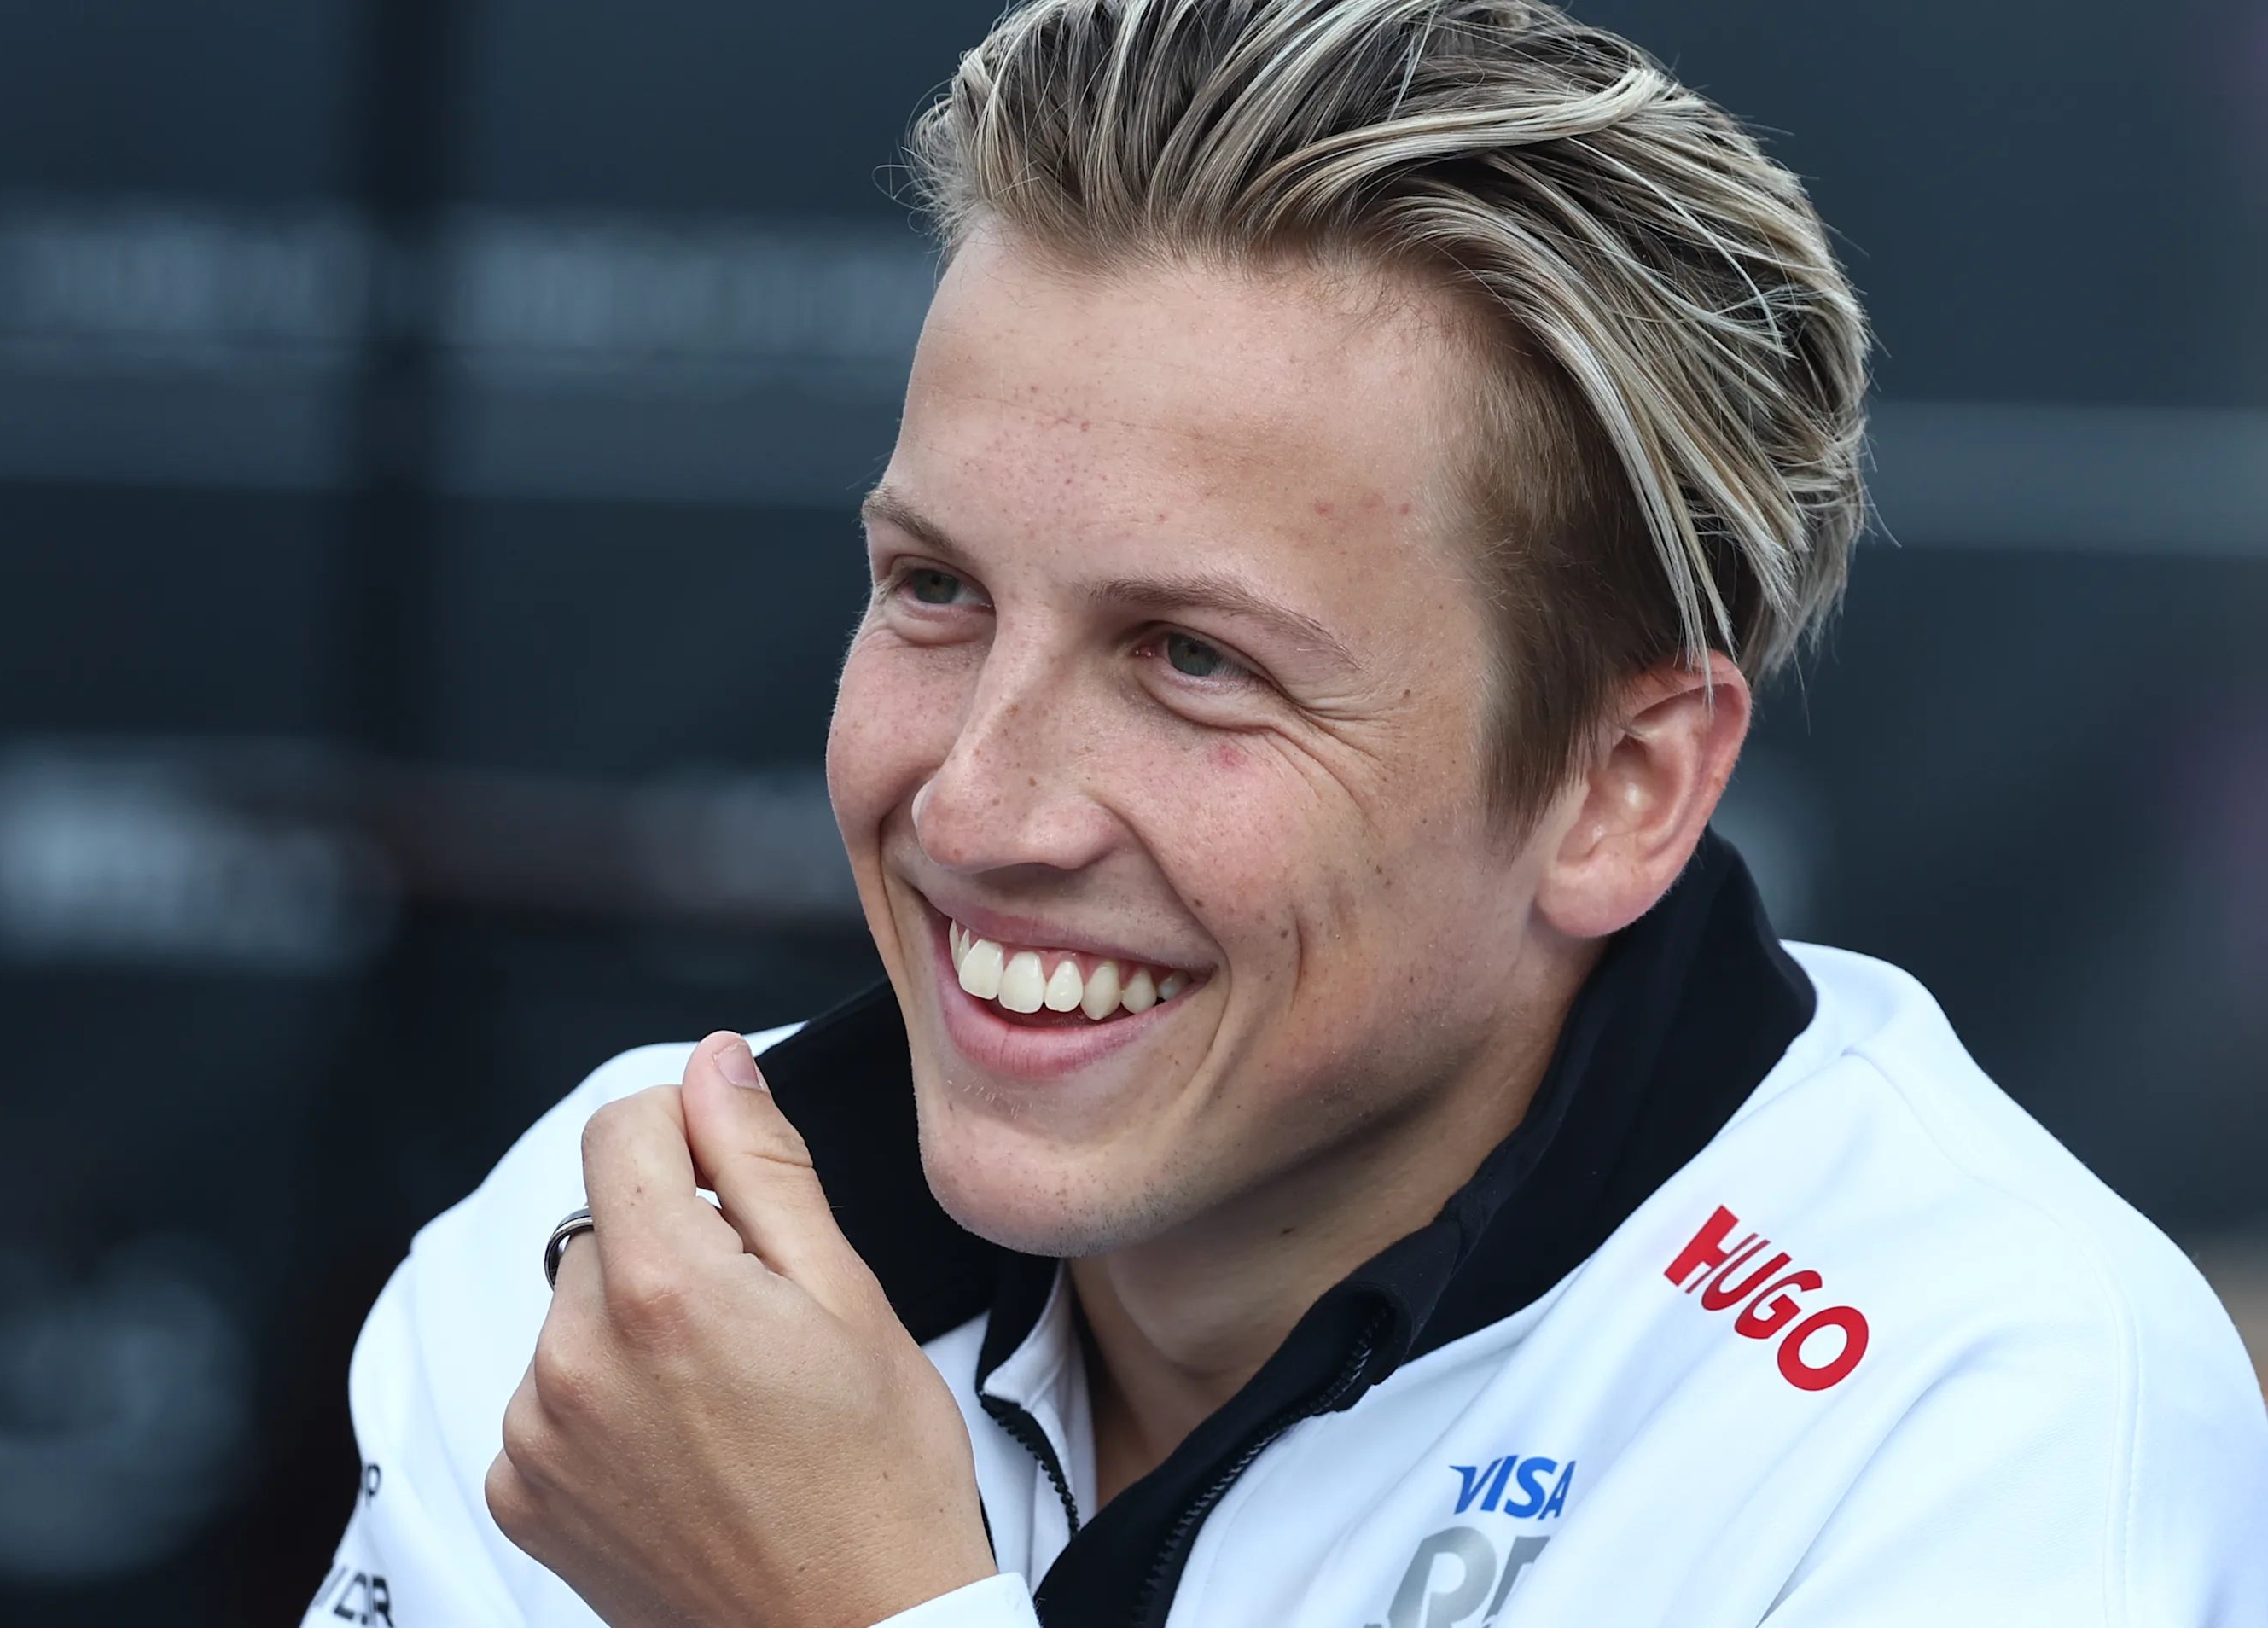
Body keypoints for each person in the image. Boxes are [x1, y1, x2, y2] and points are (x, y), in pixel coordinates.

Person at [306, 2, 2268, 1624]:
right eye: (933, 592)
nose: (976, 804)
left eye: (1191, 660)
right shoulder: (606, 1261)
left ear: (1620, 787)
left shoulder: (1960, 1406)